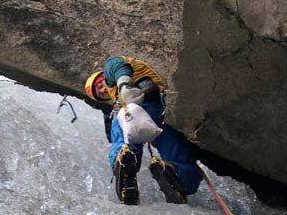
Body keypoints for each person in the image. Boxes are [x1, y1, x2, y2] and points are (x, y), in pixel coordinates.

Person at [85, 55, 203, 205]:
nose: (102, 89)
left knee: (121, 126)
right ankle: (176, 175)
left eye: (99, 85)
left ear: (103, 77)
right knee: (177, 152)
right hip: (159, 118)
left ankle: (124, 159)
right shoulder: (116, 100)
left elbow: (116, 65)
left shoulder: (112, 72)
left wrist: (123, 86)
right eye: (99, 93)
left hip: (148, 107)